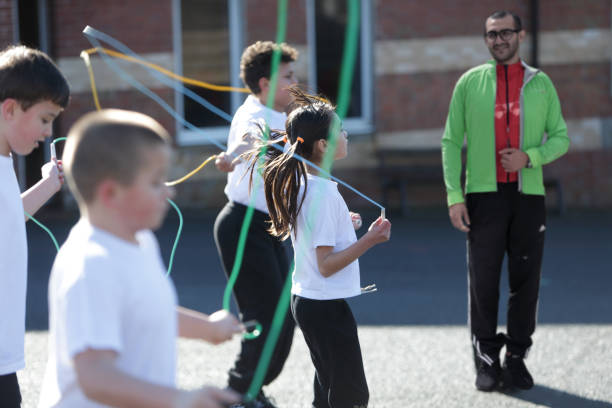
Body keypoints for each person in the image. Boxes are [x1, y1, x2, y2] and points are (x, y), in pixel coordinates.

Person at [38, 109, 243, 408]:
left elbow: (149, 312)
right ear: (111, 193)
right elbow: (94, 376)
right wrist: (180, 400)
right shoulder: (91, 264)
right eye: (156, 182)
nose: (169, 191)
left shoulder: (141, 241)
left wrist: (209, 329)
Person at [441, 10, 570, 392]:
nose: (498, 40)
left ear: (521, 35)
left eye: (505, 33)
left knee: (525, 282)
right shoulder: (469, 83)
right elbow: (450, 142)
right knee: (483, 282)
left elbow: (561, 137)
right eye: (491, 35)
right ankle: (485, 361)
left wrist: (530, 157)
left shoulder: (541, 84)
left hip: (527, 198)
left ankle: (515, 359)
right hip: (483, 197)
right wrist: (454, 195)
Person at [249, 87, 391, 408]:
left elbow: (316, 234)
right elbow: (326, 264)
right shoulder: (322, 194)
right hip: (323, 306)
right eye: (341, 129)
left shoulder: (307, 184)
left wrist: (345, 226)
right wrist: (370, 238)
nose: (346, 134)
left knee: (328, 390)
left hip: (310, 301)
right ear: (323, 145)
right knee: (350, 395)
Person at [213, 41, 298, 407]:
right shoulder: (254, 116)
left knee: (285, 317)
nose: (297, 83)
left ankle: (252, 388)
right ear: (265, 83)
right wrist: (230, 157)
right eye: (289, 77)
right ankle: (237, 392)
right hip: (243, 224)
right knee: (263, 316)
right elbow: (249, 139)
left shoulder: (287, 116)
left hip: (271, 228)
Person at [0, 45, 70, 408]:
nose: (48, 132)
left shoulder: (5, 161)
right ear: (10, 108)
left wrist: (48, 186)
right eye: (45, 119)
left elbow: (8, 217)